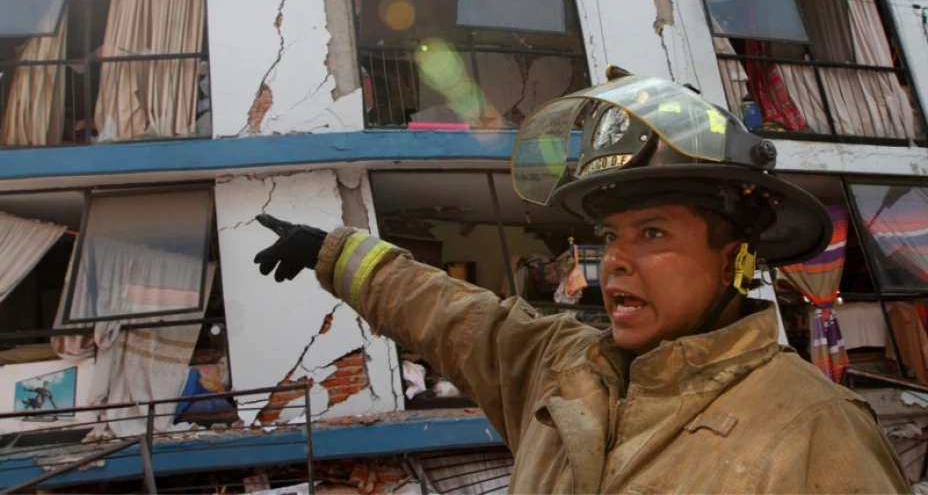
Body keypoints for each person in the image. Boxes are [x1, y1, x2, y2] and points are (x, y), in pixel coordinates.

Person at [254, 70, 909, 493]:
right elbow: (456, 318)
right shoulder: (562, 366)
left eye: (652, 233)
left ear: (733, 258)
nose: (615, 260)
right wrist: (336, 253)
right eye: (611, 235)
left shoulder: (815, 429)